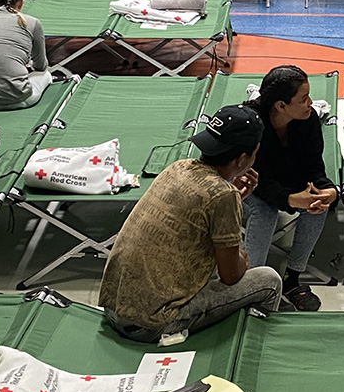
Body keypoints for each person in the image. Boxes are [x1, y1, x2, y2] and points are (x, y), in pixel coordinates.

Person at [99, 105, 283, 343]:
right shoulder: (223, 195)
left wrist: (235, 200)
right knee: (269, 280)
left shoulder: (178, 167)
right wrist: (242, 257)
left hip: (114, 308)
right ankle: (254, 352)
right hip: (151, 324)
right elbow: (231, 275)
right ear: (242, 159)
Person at [242, 66, 338, 311]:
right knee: (265, 212)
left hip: (281, 179)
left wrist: (328, 191)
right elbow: (256, 180)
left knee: (318, 202)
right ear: (281, 106)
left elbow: (314, 166)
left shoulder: (308, 120)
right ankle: (252, 287)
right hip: (245, 185)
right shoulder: (251, 124)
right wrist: (291, 199)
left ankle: (293, 279)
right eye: (303, 99)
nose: (311, 103)